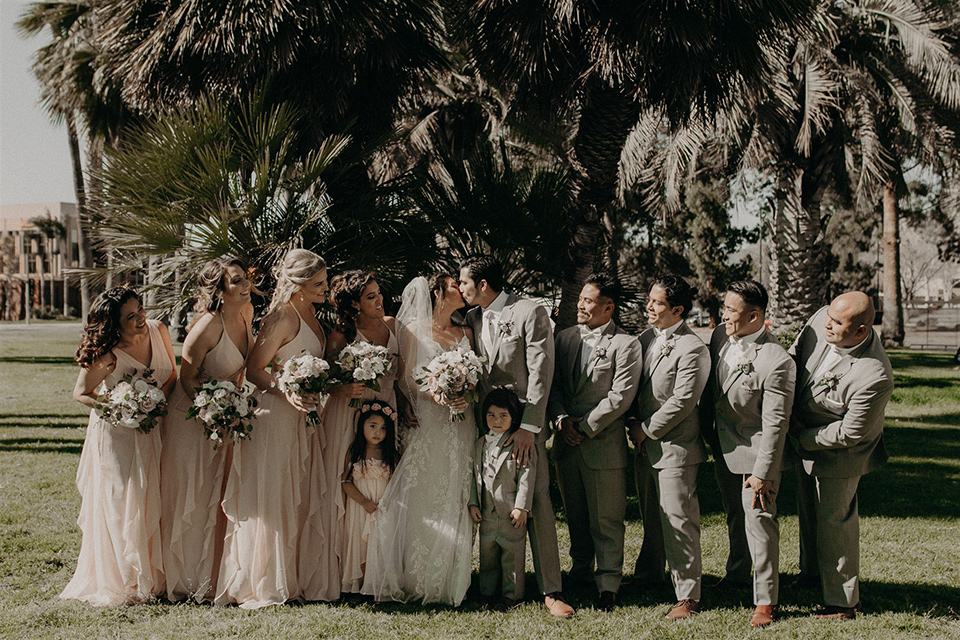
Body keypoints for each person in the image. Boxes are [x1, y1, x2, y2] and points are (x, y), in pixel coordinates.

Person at [459, 255, 572, 618]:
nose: (460, 289)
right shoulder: (473, 318)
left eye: (464, 283)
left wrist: (529, 427)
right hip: (487, 424)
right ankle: (493, 581)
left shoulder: (529, 312)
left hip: (525, 429)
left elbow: (542, 371)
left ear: (483, 286)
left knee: (536, 501)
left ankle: (551, 590)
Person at [216, 248, 329, 608]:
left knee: (299, 492)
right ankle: (265, 581)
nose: (325, 289)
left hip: (306, 417)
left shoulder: (311, 311)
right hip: (276, 417)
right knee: (274, 496)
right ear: (298, 286)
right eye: (318, 284)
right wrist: (288, 390)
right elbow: (255, 369)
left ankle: (295, 576)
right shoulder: (281, 317)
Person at [362, 273, 477, 606]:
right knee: (424, 493)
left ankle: (453, 578)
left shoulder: (466, 332)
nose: (461, 289)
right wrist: (438, 394)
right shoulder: (413, 330)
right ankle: (417, 575)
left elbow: (474, 376)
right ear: (438, 292)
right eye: (455, 285)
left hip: (460, 422)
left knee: (456, 490)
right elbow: (408, 378)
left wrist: (464, 392)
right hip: (427, 421)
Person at [61, 287, 177, 605]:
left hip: (156, 426)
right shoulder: (108, 352)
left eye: (140, 309)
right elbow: (82, 393)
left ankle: (155, 575)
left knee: (155, 496)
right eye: (131, 316)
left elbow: (171, 376)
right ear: (114, 323)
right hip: (118, 435)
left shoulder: (158, 330)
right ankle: (125, 579)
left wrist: (156, 403)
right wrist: (121, 409)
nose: (141, 318)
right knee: (122, 502)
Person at [789, 292, 894, 620]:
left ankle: (843, 602)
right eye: (829, 318)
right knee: (808, 514)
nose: (826, 325)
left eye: (837, 323)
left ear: (861, 331)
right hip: (805, 441)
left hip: (840, 454)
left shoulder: (874, 375)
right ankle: (812, 574)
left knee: (836, 524)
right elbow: (793, 359)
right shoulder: (821, 318)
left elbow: (851, 433)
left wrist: (801, 436)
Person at [700, 281, 796, 627]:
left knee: (760, 523)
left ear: (755, 316)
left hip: (758, 453)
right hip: (724, 447)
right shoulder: (719, 338)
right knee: (732, 515)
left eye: (731, 311)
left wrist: (764, 472)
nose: (723, 315)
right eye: (724, 308)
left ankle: (765, 601)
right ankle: (737, 573)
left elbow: (775, 426)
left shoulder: (777, 360)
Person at [160, 259, 254, 603]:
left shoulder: (246, 312)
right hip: (191, 417)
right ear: (219, 291)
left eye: (246, 278)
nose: (245, 285)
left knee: (218, 494)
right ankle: (185, 579)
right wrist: (212, 409)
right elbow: (187, 377)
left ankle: (214, 575)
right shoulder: (207, 326)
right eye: (236, 281)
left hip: (226, 416)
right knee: (194, 494)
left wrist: (234, 407)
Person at [548, 273, 642, 611]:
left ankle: (609, 584)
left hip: (602, 445)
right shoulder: (565, 338)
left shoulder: (626, 345)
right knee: (576, 515)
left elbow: (620, 398)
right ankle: (581, 569)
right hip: (566, 444)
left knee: (606, 518)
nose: (580, 305)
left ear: (608, 307)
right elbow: (553, 385)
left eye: (588, 301)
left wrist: (584, 427)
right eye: (581, 299)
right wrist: (560, 420)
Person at [627, 274, 710, 620]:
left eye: (657, 302)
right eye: (649, 299)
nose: (649, 306)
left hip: (676, 447)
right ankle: (649, 574)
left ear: (677, 310)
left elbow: (683, 401)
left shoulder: (694, 348)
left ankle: (688, 596)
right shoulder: (645, 338)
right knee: (652, 516)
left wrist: (645, 429)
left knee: (679, 519)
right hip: (643, 444)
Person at [309, 271, 393, 602]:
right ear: (354, 304)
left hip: (386, 410)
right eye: (370, 297)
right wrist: (344, 387)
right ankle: (344, 569)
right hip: (349, 414)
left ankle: (378, 566)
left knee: (381, 483)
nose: (379, 300)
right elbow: (324, 377)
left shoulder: (391, 326)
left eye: (378, 294)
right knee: (347, 484)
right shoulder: (342, 333)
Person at [469, 387, 535, 609]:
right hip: (487, 513)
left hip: (510, 513)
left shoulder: (519, 444)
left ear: (513, 417)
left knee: (512, 556)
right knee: (487, 556)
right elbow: (474, 475)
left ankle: (512, 595)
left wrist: (522, 507)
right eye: (491, 415)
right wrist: (473, 503)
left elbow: (526, 475)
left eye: (503, 416)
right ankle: (487, 592)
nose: (496, 421)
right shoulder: (479, 444)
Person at [341, 402, 399, 595]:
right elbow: (346, 482)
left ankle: (376, 584)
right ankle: (357, 585)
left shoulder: (390, 454)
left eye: (383, 428)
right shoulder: (355, 451)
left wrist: (387, 501)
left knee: (379, 545)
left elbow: (397, 483)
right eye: (372, 426)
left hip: (382, 508)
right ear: (362, 426)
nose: (378, 432)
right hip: (360, 508)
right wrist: (363, 501)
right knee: (360, 544)